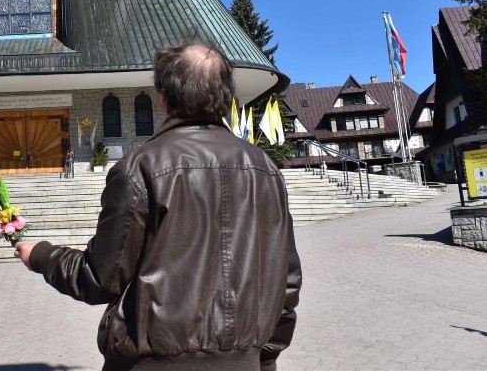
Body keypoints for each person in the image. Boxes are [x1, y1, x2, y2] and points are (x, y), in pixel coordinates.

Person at [15, 43, 302, 370]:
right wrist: (264, 359)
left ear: (163, 100)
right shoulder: (265, 170)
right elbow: (286, 282)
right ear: (225, 96)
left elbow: (99, 278)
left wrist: (40, 255)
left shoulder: (139, 167)